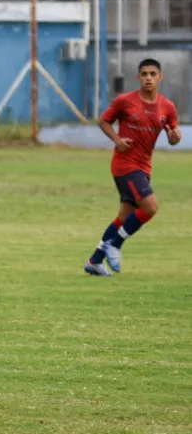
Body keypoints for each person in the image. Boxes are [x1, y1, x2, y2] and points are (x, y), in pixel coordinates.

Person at [84, 58, 182, 277]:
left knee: (124, 215)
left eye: (152, 74)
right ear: (138, 77)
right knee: (150, 207)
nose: (148, 78)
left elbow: (172, 136)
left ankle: (95, 261)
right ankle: (115, 244)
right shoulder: (125, 101)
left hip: (144, 166)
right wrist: (117, 139)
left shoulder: (167, 107)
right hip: (124, 164)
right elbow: (104, 121)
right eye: (144, 74)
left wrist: (175, 137)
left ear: (160, 77)